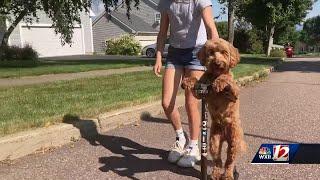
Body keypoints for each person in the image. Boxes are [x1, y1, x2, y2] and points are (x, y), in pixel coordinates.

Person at [153, 0, 219, 167]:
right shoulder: (166, 2)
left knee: (191, 103)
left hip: (197, 52)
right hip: (175, 53)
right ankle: (181, 137)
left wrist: (215, 57)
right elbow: (162, 32)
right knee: (166, 102)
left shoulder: (200, 1)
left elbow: (211, 29)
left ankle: (194, 147)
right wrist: (159, 57)